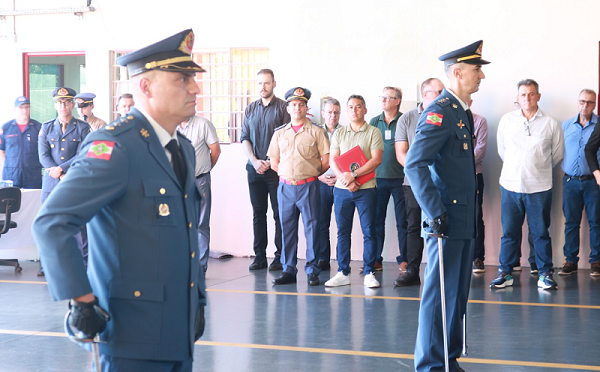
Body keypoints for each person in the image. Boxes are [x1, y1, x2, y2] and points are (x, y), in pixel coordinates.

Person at [32, 29, 207, 371]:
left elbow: (184, 234)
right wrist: (82, 302)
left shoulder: (181, 148)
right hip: (131, 336)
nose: (195, 88)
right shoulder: (116, 148)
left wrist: (197, 300)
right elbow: (51, 223)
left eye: (193, 79)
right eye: (182, 80)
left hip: (178, 331)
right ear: (146, 87)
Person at [404, 40, 488, 372]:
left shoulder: (459, 112)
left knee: (455, 293)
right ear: (457, 72)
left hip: (462, 218)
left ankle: (447, 359)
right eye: (476, 69)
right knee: (438, 294)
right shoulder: (439, 111)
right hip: (446, 220)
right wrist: (435, 212)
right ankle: (430, 365)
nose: (481, 76)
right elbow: (415, 164)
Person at [491, 79, 564, 290]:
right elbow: (502, 151)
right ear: (517, 98)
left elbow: (556, 155)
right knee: (509, 232)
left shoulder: (551, 123)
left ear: (538, 96)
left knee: (540, 232)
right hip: (510, 186)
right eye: (523, 94)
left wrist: (535, 170)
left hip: (539, 187)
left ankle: (545, 274)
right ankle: (505, 273)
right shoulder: (507, 121)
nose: (527, 98)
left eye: (531, 94)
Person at [267, 87, 330, 286]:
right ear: (288, 108)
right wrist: (288, 175)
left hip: (309, 186)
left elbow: (327, 159)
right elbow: (274, 161)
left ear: (306, 107)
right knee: (287, 229)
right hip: (285, 188)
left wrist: (310, 173)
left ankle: (312, 270)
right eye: (293, 105)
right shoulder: (279, 133)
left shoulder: (317, 131)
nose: (297, 108)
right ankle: (288, 270)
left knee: (312, 228)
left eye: (301, 105)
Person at [324, 95, 383, 289]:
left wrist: (353, 175)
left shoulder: (374, 132)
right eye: (350, 107)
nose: (354, 110)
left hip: (366, 190)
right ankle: (342, 272)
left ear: (365, 110)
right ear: (347, 111)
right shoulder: (339, 133)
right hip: (342, 191)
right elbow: (333, 159)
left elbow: (376, 160)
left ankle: (369, 272)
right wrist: (345, 179)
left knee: (369, 232)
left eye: (358, 107)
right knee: (343, 232)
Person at [393, 78, 445, 286]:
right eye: (438, 91)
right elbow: (401, 153)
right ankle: (412, 271)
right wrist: (419, 174)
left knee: (440, 225)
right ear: (425, 95)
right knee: (414, 226)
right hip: (413, 183)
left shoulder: (445, 115)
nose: (442, 95)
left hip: (440, 183)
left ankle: (441, 272)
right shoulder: (406, 119)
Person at [37, 87, 92, 276]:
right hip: (51, 182)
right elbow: (43, 155)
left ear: (72, 105)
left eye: (67, 102)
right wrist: (57, 172)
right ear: (55, 105)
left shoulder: (83, 127)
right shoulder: (46, 127)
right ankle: (47, 264)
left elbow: (83, 153)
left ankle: (84, 263)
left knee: (79, 224)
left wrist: (63, 169)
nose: (63, 106)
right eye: (60, 102)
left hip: (74, 181)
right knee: (49, 224)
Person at [240, 69, 290, 271]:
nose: (263, 87)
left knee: (279, 214)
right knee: (258, 214)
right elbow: (244, 137)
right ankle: (259, 256)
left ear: (274, 84)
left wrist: (269, 161)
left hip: (276, 170)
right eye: (260, 83)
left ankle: (279, 257)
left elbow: (287, 139)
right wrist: (254, 161)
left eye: (267, 83)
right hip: (254, 170)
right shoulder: (250, 109)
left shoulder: (283, 108)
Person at [368, 86, 407, 273]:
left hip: (401, 180)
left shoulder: (405, 120)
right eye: (381, 97)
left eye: (387, 97)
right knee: (377, 221)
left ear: (397, 101)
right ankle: (375, 259)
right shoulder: (374, 122)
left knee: (403, 221)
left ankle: (404, 259)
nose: (383, 100)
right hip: (377, 179)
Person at [561, 89, 600, 277]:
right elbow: (558, 151)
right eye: (583, 101)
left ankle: (596, 261)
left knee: (596, 222)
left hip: (594, 183)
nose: (586, 105)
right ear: (578, 102)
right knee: (571, 223)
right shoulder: (566, 126)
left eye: (590, 102)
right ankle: (570, 260)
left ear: (595, 104)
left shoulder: (599, 125)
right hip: (570, 182)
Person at [178, 115, 221, 274]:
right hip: (177, 182)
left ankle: (200, 268)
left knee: (200, 224)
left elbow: (215, 151)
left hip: (199, 180)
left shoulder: (203, 124)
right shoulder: (170, 124)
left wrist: (204, 170)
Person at [316, 96, 342, 271]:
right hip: (321, 182)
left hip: (341, 183)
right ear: (323, 113)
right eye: (330, 112)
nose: (333, 115)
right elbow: (309, 159)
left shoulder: (346, 132)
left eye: (336, 112)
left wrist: (340, 177)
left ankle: (342, 260)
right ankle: (323, 259)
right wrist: (319, 176)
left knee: (343, 225)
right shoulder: (315, 132)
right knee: (321, 223)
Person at [0, 96, 43, 189]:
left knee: (34, 201)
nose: (24, 110)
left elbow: (43, 150)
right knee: (10, 202)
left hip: (32, 174)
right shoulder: (6, 127)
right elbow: (2, 150)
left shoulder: (38, 127)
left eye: (27, 107)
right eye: (21, 107)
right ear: (14, 109)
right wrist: (11, 164)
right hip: (11, 175)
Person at [471, 101, 489, 273]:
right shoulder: (446, 121)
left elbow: (480, 150)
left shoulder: (479, 121)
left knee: (476, 216)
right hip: (451, 178)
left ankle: (478, 257)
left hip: (474, 175)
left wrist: (459, 166)